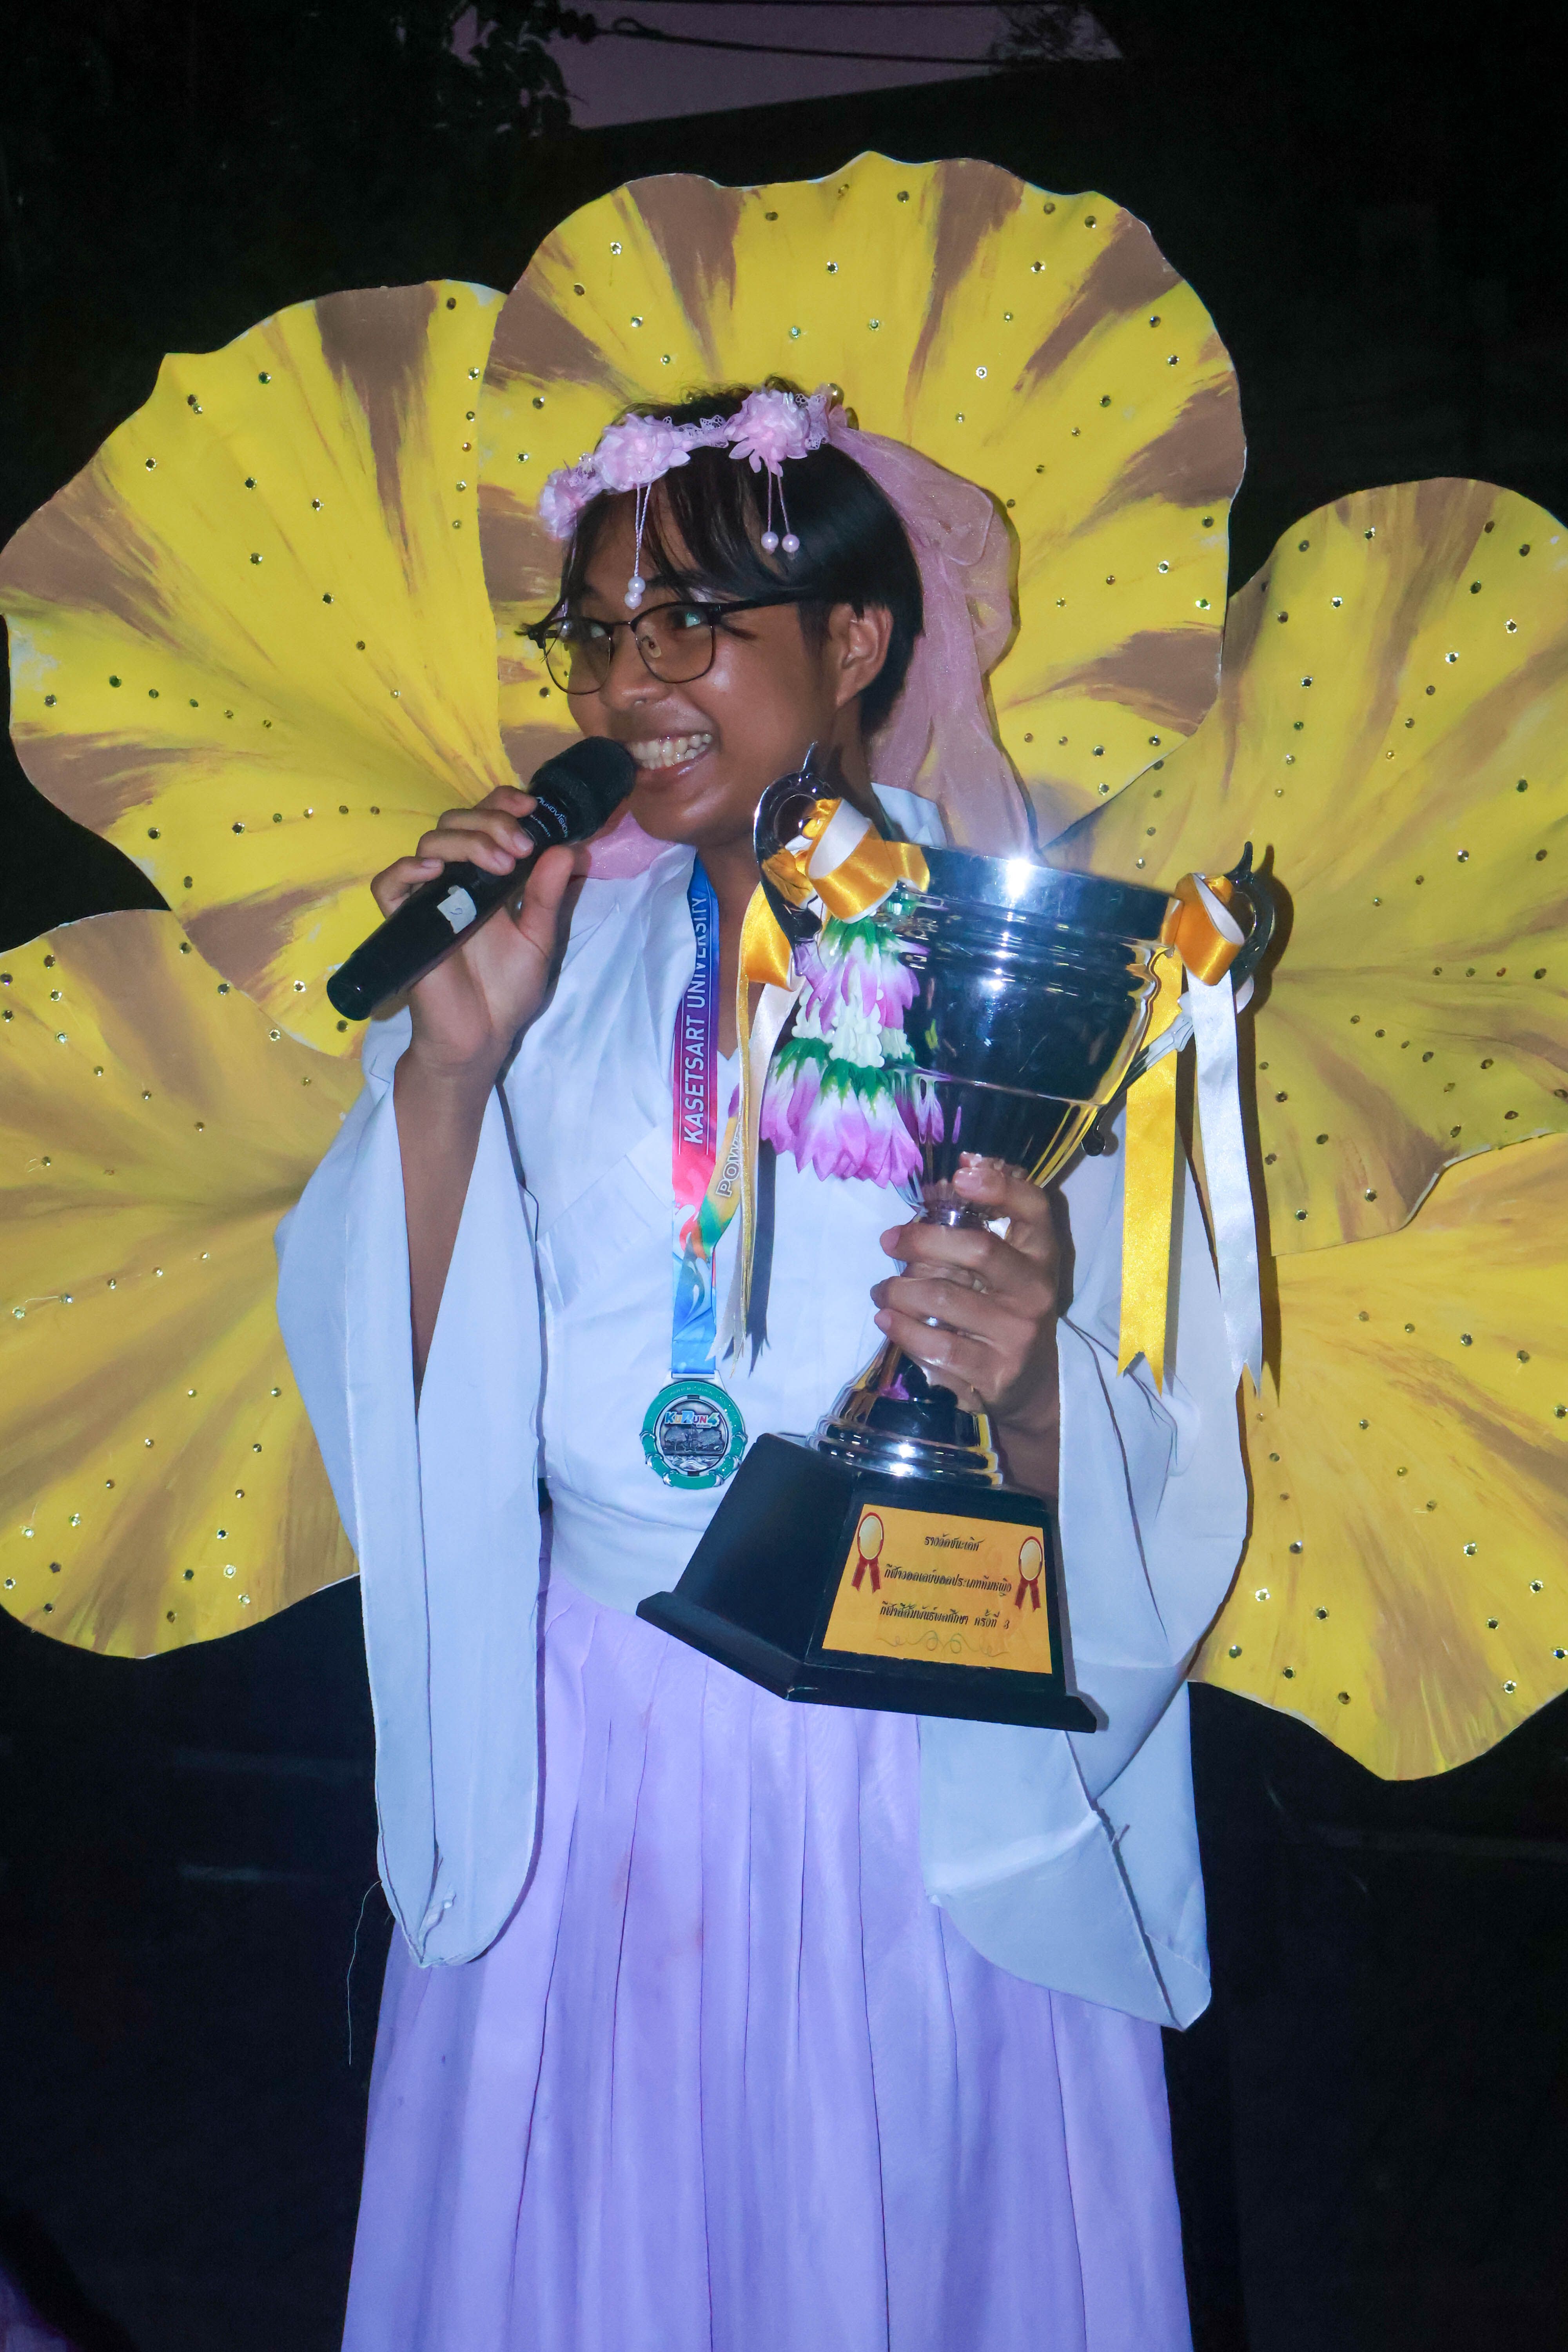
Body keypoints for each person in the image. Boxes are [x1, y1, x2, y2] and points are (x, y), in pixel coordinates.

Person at [276, 385, 1246, 2351]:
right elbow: (397, 1372)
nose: (630, 683)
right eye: (597, 632)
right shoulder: (528, 969)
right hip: (584, 1759)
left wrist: (1029, 1382)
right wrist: (445, 1073)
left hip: (903, 1760)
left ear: (856, 640)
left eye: (690, 623)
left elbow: (1161, 1428)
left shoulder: (1038, 970)